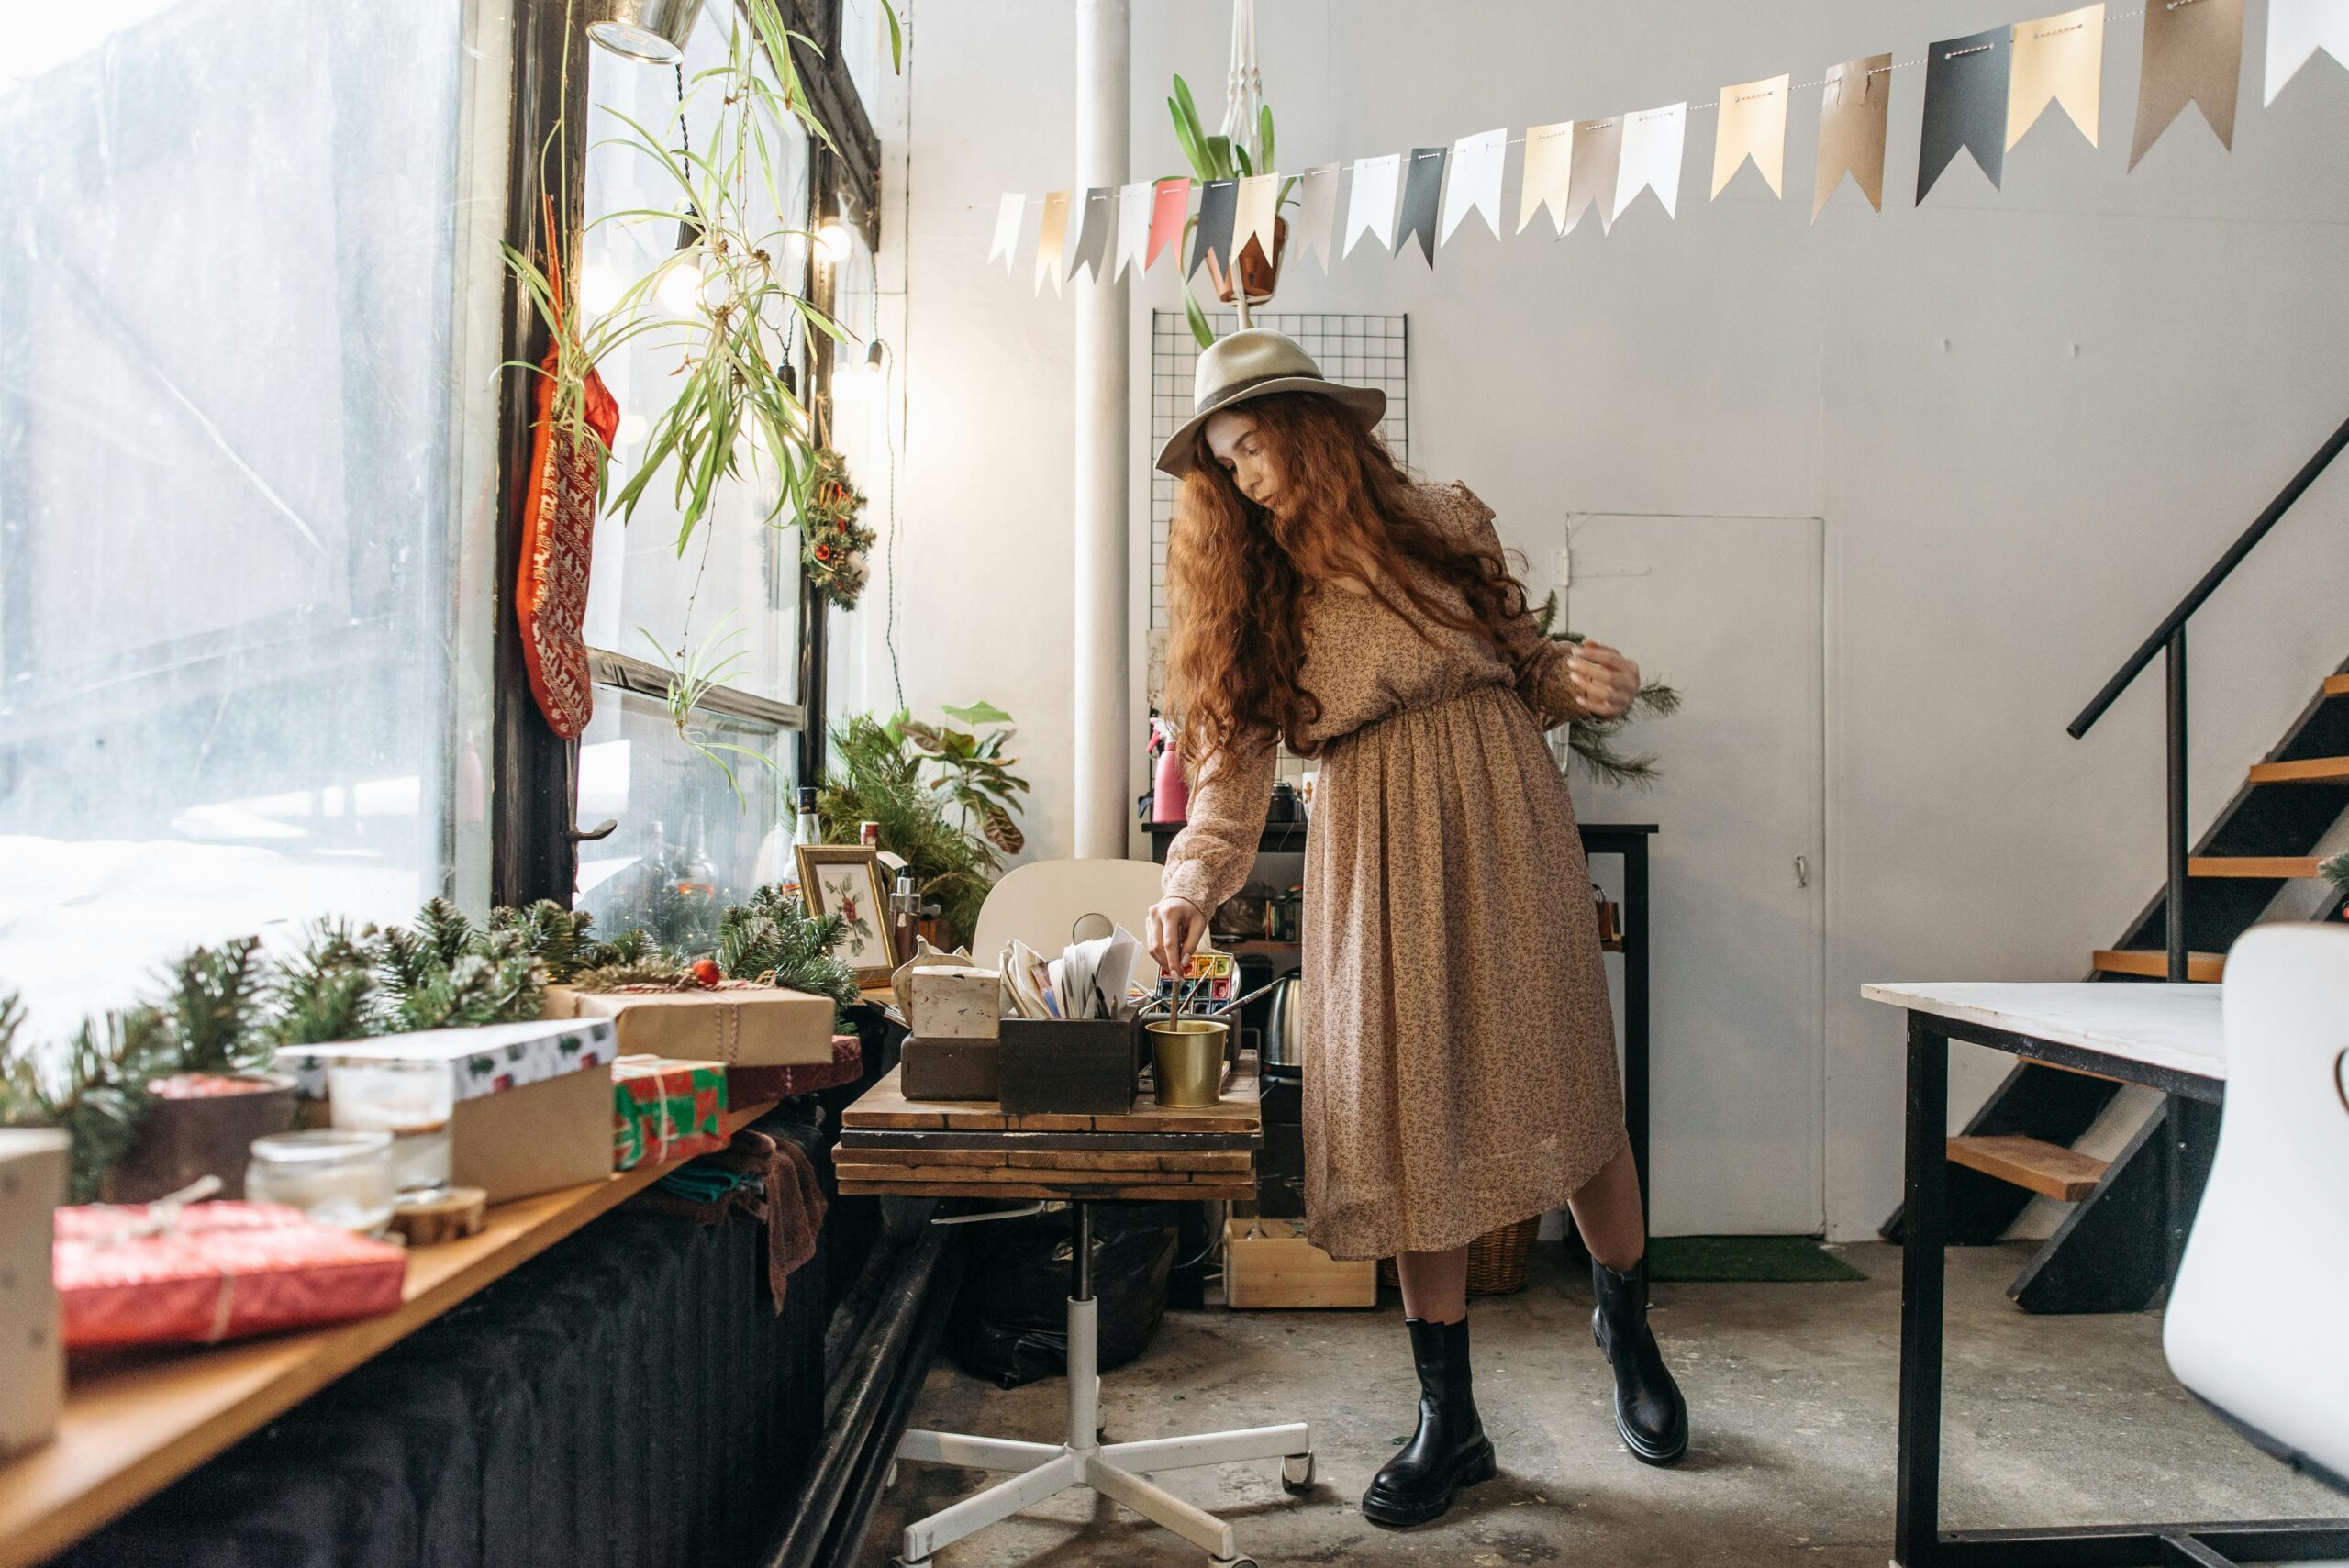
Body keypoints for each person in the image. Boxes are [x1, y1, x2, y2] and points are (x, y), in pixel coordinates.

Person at [1144, 329, 1688, 1528]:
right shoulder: (1253, 603)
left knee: (1569, 1078)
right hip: (1376, 855)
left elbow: (1521, 661)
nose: (1246, 478)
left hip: (1509, 820)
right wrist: (1190, 883)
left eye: (1255, 447)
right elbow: (1227, 789)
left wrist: (1569, 676)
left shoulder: (1445, 519)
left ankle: (1629, 1329)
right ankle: (1452, 1415)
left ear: (1312, 426)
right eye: (1224, 465)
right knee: (1409, 1113)